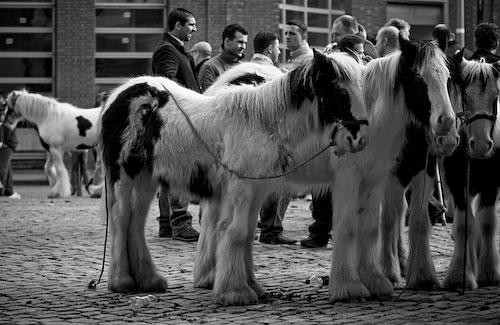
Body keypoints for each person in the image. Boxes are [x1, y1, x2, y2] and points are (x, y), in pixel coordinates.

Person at [151, 7, 201, 241]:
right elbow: (167, 85)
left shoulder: (176, 49)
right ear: (178, 25)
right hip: (177, 121)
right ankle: (180, 224)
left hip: (179, 119)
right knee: (179, 172)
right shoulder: (167, 50)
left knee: (169, 174)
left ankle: (167, 225)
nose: (194, 29)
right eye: (190, 25)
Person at [250, 31, 296, 245]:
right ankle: (271, 230)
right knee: (274, 183)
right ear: (270, 49)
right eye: (278, 47)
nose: (279, 51)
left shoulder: (241, 70)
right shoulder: (274, 75)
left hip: (244, 136)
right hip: (270, 136)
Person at [198, 24, 248, 91]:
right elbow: (208, 97)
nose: (243, 47)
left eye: (245, 43)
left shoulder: (243, 68)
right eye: (240, 42)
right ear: (227, 41)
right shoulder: (210, 67)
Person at [0, 90, 19, 197]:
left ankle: (1, 191)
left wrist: (3, 142)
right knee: (7, 168)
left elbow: (7, 127)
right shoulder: (4, 110)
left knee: (2, 168)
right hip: (6, 142)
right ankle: (9, 190)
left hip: (8, 143)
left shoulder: (10, 112)